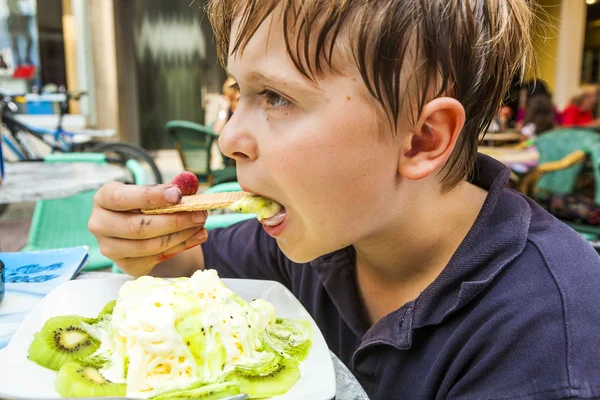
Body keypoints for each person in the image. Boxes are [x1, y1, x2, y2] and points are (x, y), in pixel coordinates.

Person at [88, 1, 600, 398]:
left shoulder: (546, 338)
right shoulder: (321, 236)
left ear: (421, 138)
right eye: (237, 89)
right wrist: (143, 238)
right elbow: (186, 264)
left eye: (276, 96)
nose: (227, 139)